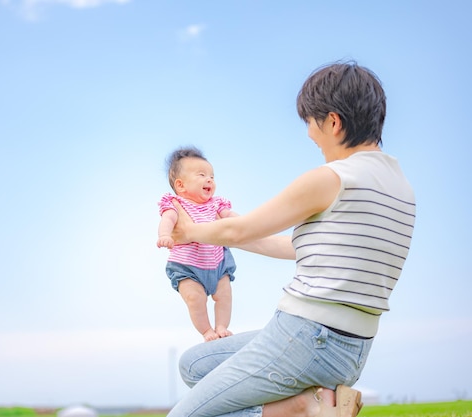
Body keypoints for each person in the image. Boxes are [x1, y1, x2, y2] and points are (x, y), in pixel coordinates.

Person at [166, 61, 416, 417]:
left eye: (311, 123)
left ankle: (302, 411)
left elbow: (242, 229)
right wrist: (231, 231)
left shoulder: (332, 178)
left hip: (306, 338)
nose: (311, 135)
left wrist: (188, 232)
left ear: (333, 121)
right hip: (351, 351)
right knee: (195, 364)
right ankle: (306, 405)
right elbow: (290, 246)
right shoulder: (399, 187)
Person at [157, 146, 239, 341]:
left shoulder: (216, 204)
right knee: (195, 299)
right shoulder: (176, 204)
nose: (209, 179)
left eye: (212, 176)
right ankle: (207, 331)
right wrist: (164, 235)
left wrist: (246, 221)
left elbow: (230, 217)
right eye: (201, 175)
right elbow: (167, 220)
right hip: (187, 267)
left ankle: (221, 326)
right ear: (181, 185)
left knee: (225, 295)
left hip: (217, 262)